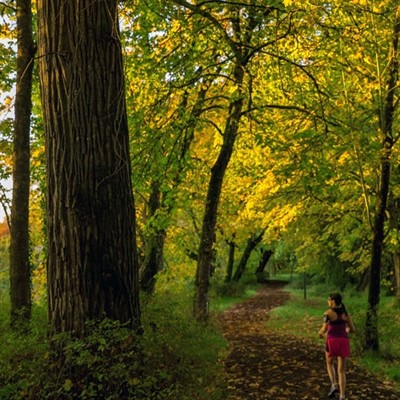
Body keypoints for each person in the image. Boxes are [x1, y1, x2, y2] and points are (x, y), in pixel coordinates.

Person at [318, 293, 355, 400]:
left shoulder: (328, 313)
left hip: (332, 342)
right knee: (341, 370)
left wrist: (320, 333)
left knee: (329, 363)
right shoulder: (346, 314)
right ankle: (342, 396)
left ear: (333, 301)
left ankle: (334, 384)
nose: (327, 301)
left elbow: (324, 328)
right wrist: (345, 330)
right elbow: (352, 329)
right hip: (343, 342)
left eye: (328, 299)